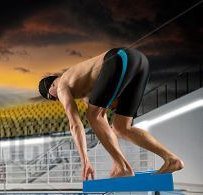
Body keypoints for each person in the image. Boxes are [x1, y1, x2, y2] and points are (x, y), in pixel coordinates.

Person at [38, 47, 184, 180]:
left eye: (51, 98)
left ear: (51, 86)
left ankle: (123, 168)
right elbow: (104, 126)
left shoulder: (62, 85)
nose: (56, 100)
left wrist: (85, 161)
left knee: (92, 115)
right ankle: (171, 159)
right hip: (139, 62)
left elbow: (75, 125)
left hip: (119, 58)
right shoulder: (85, 89)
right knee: (121, 128)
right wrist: (116, 158)